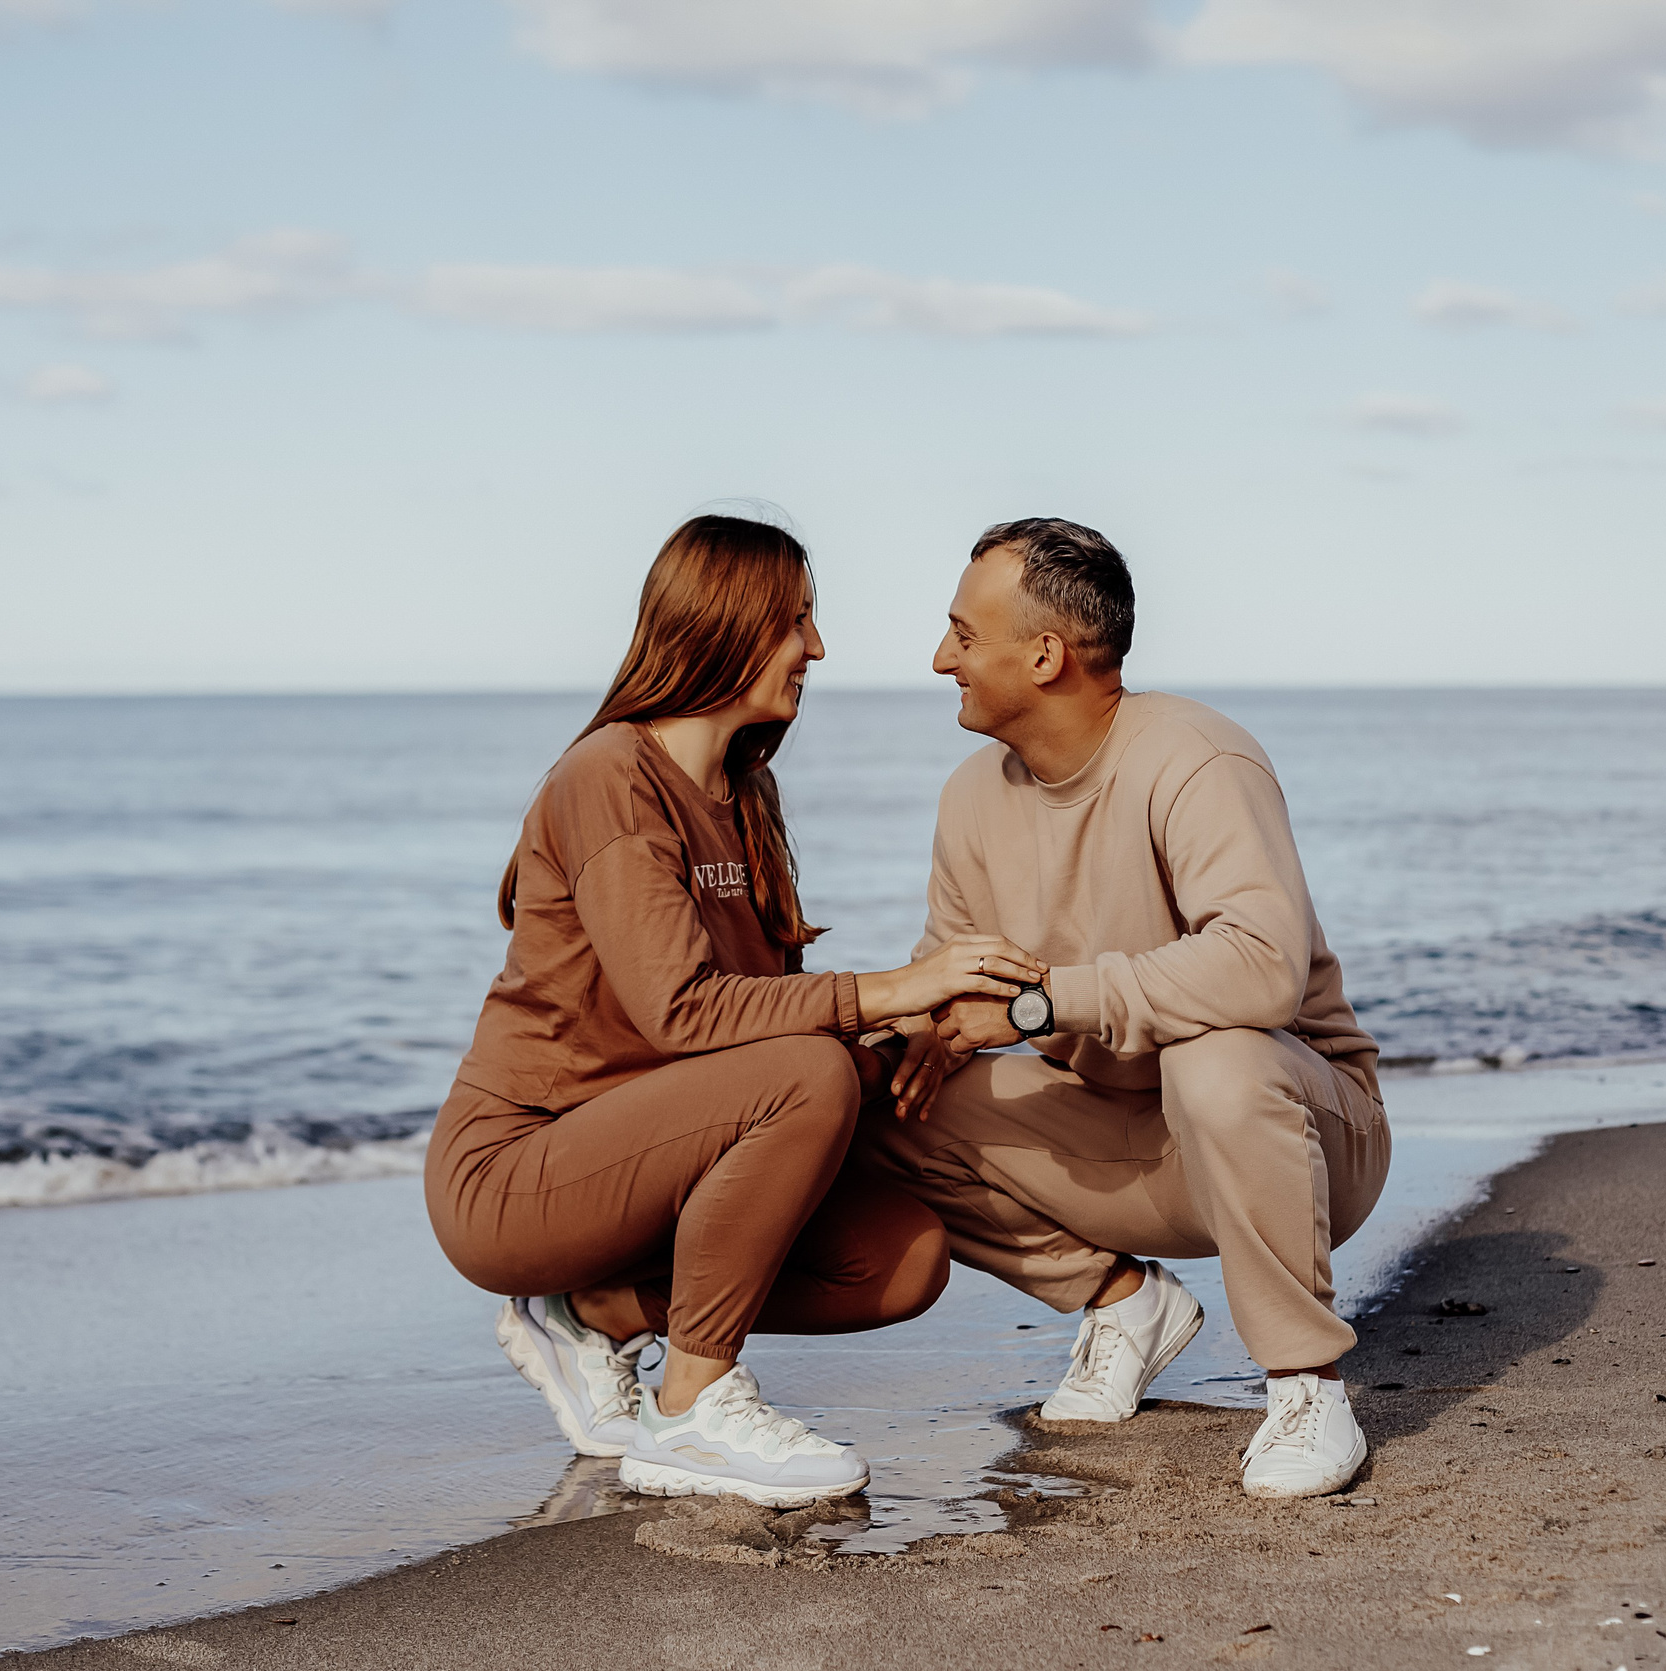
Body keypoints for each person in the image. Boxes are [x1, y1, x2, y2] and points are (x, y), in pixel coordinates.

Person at [427, 514, 1047, 1509]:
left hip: (648, 1168)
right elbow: (682, 1012)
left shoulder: (743, 791)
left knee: (899, 1260)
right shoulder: (609, 776)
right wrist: (898, 986)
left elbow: (760, 1018)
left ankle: (598, 1313)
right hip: (516, 1175)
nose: (817, 647)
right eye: (796, 620)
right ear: (724, 622)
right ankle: (691, 1409)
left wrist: (918, 1029)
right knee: (809, 1072)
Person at [864, 518, 1391, 1499]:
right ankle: (1120, 1301)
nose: (941, 659)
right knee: (878, 1096)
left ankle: (1307, 1386)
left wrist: (1040, 1007)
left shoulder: (1197, 758)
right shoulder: (971, 797)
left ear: (1046, 655)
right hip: (1127, 1142)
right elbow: (952, 978)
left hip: (1306, 1141)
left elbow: (1261, 968)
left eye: (963, 636)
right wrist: (883, 1024)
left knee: (1214, 1053)